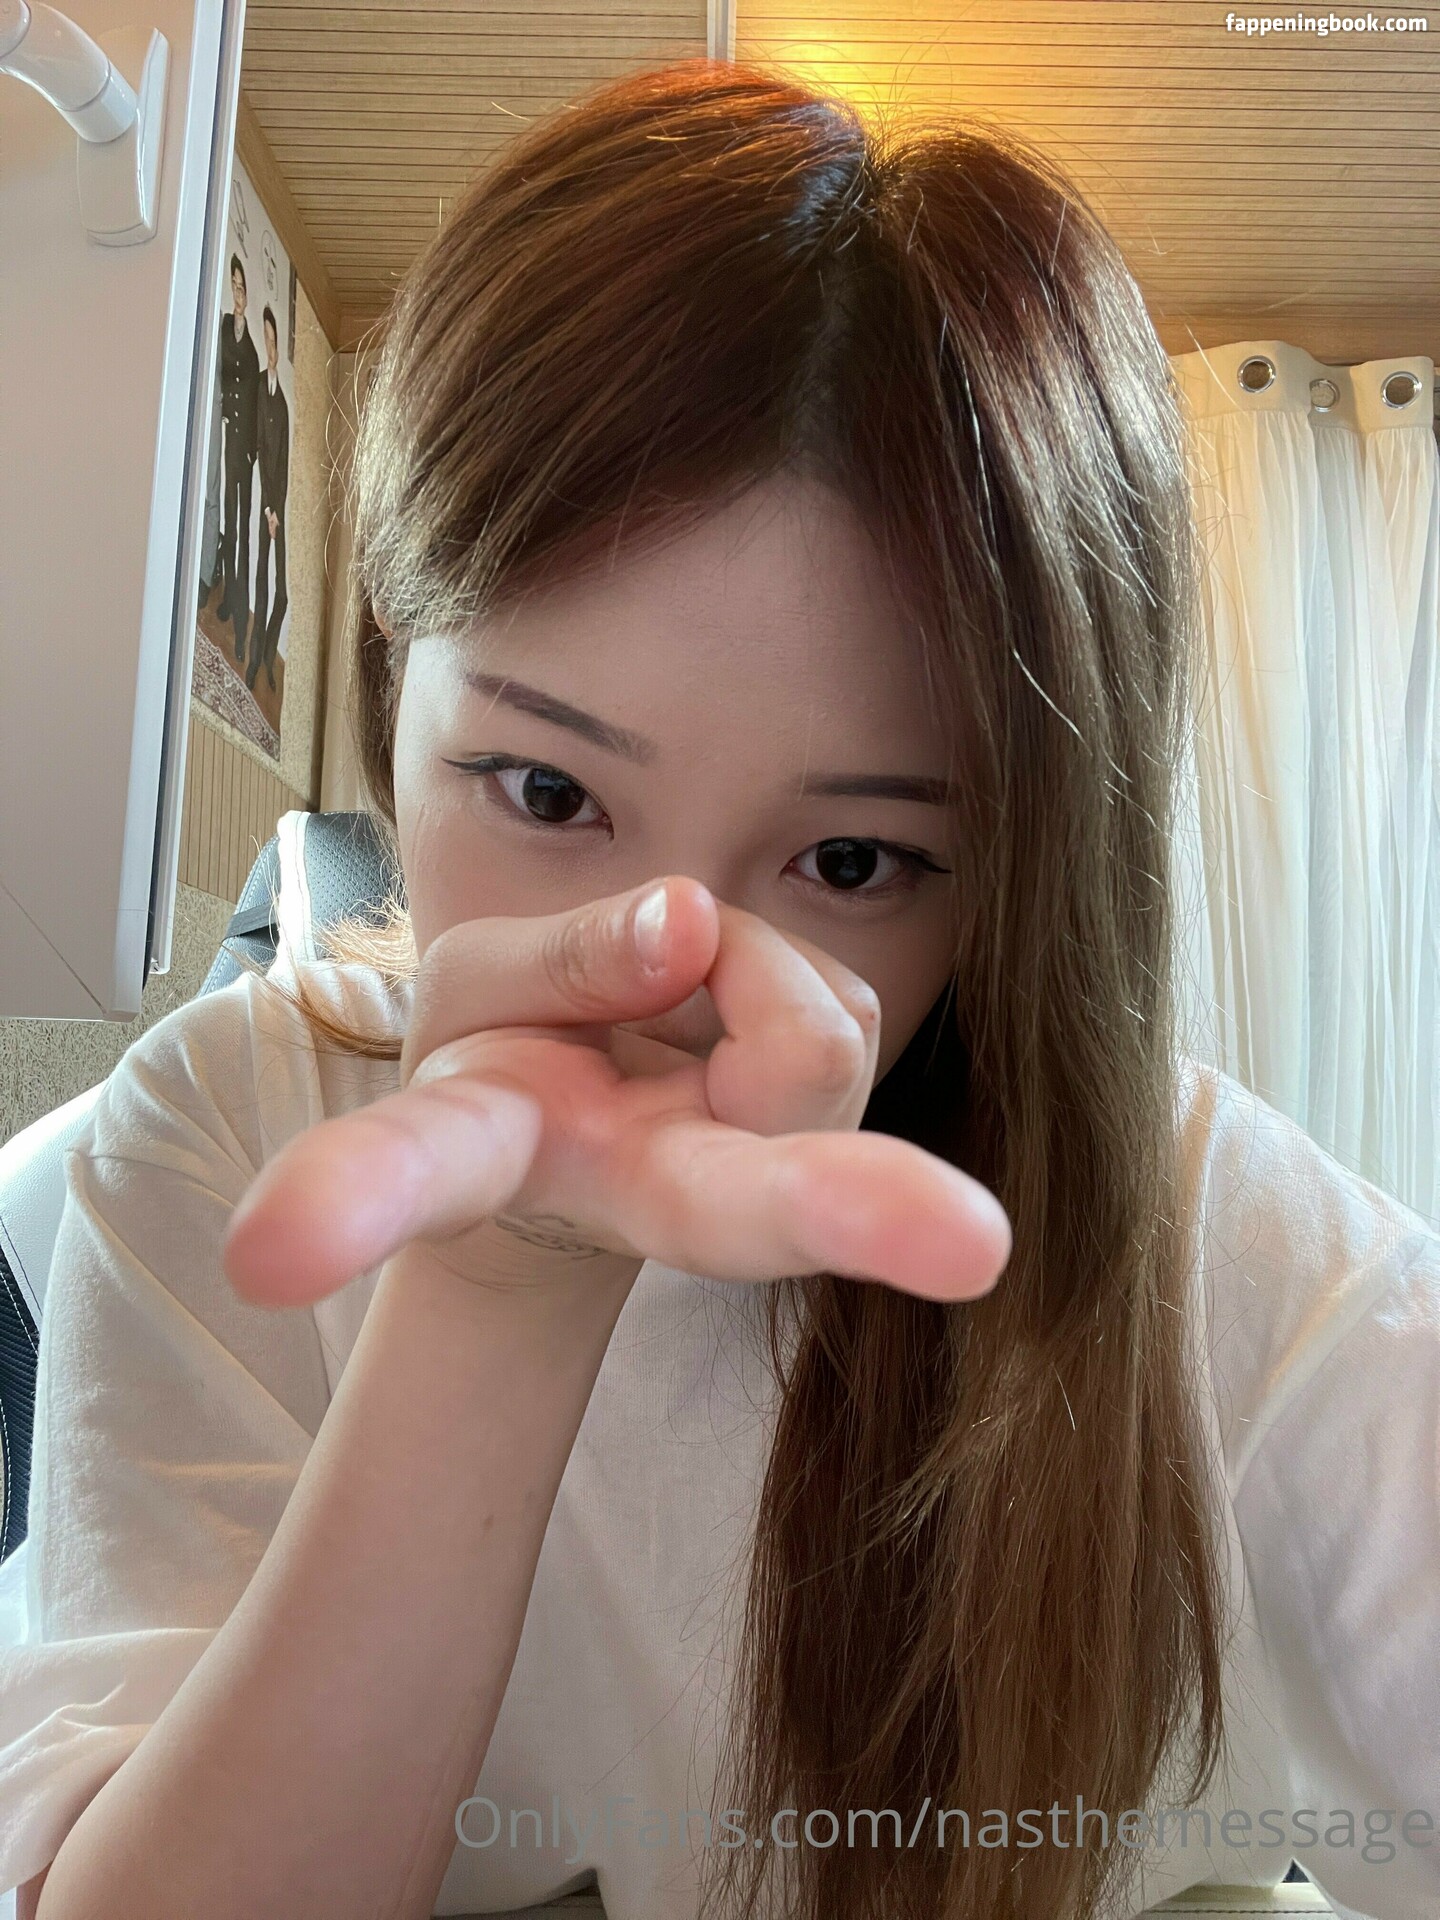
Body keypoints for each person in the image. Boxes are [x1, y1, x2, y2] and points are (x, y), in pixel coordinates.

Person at [3, 59, 1438, 1920]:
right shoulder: (224, 1133)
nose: (680, 980)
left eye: (852, 863)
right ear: (390, 678)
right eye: (547, 794)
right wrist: (502, 1277)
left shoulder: (1201, 1237)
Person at [217, 253, 259, 660]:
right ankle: (229, 597)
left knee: (242, 529)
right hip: (226, 438)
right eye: (234, 286)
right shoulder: (222, 329)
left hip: (243, 451)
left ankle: (242, 625)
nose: (238, 293)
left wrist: (250, 452)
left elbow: (254, 403)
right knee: (228, 521)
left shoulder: (253, 350)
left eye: (242, 287)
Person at [250, 304, 290, 693]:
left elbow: (284, 464)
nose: (271, 348)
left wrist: (279, 513)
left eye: (275, 341)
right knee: (261, 585)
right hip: (266, 505)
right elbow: (261, 450)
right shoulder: (260, 390)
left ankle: (268, 654)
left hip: (278, 507)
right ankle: (256, 660)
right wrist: (267, 510)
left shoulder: (284, 404)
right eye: (267, 340)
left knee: (282, 593)